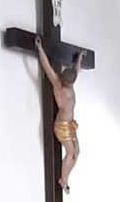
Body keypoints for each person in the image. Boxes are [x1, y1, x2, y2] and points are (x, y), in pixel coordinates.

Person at [34, 36, 84, 190]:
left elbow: (76, 69)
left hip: (70, 124)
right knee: (70, 153)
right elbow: (47, 67)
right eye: (69, 83)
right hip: (62, 126)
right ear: (65, 80)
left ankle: (66, 177)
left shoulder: (70, 81)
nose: (71, 84)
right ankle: (64, 180)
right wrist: (40, 48)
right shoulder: (58, 85)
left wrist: (80, 58)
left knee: (77, 152)